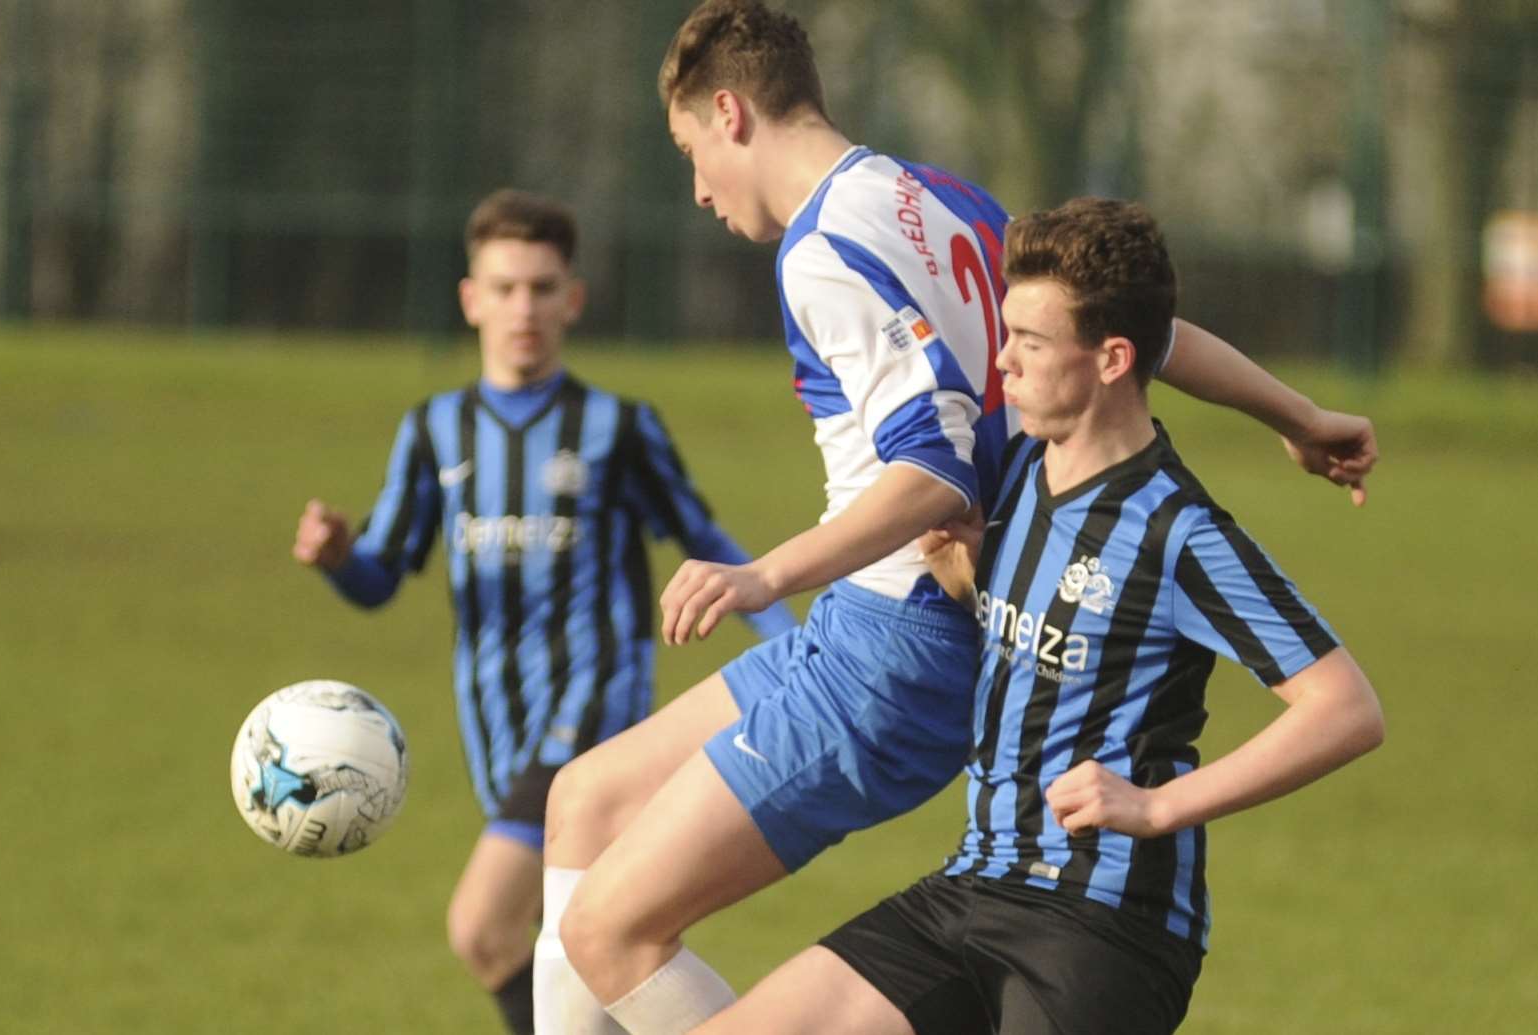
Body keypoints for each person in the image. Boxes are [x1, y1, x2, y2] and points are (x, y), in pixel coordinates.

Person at [532, 4, 1380, 1033]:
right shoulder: (933, 195)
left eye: (688, 151)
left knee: (609, 930)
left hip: (895, 642)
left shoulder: (818, 255)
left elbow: (935, 475)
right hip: (878, 615)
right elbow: (1121, 322)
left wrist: (762, 576)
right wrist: (1292, 415)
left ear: (728, 112)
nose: (698, 188)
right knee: (581, 800)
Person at [689, 197, 1386, 1035]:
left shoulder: (1178, 532)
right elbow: (1063, 637)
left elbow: (1344, 709)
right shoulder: (1016, 472)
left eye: (1029, 342)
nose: (1002, 362)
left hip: (1102, 926)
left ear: (1112, 358)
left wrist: (1159, 807)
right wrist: (970, 581)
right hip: (972, 886)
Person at [291, 187, 796, 1035]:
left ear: (572, 298)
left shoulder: (617, 427)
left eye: (540, 287)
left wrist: (797, 650)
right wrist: (340, 556)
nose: (522, 307)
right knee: (575, 957)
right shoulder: (433, 431)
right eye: (504, 287)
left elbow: (707, 542)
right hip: (496, 725)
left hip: (591, 715)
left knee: (481, 926)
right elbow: (381, 578)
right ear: (470, 299)